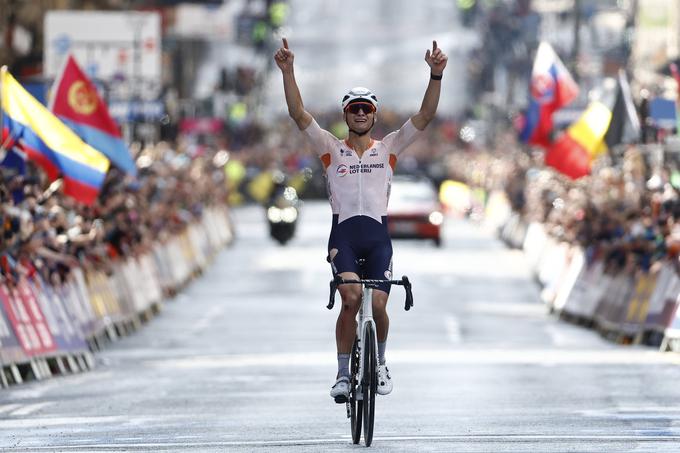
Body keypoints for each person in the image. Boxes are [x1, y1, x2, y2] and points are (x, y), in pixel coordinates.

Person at [274, 37, 447, 402]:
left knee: (380, 305)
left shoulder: (389, 148)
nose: (361, 114)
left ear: (374, 115)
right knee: (350, 300)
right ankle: (341, 373)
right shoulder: (330, 149)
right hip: (345, 238)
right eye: (354, 109)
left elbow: (425, 116)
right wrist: (288, 72)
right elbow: (298, 114)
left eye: (366, 109)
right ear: (346, 115)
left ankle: (380, 362)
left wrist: (435, 75)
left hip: (378, 238)